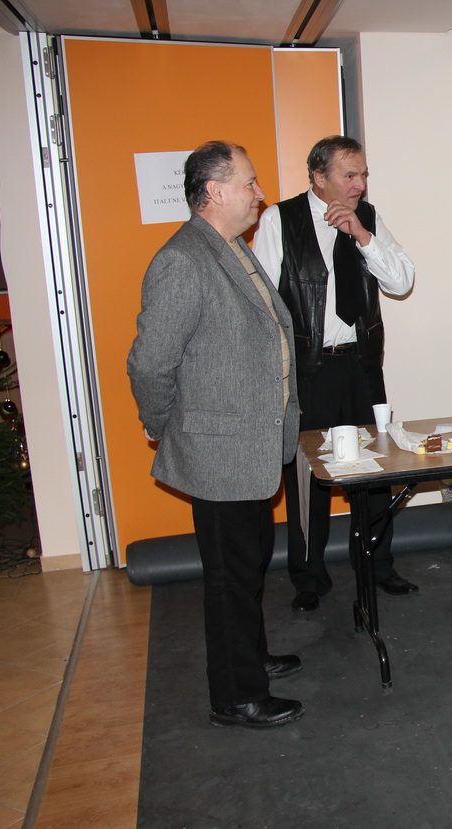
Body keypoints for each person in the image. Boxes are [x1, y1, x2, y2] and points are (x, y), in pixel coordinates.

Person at [127, 141, 303, 728]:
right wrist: (164, 424)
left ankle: (250, 657)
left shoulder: (230, 247)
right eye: (250, 183)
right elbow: (150, 363)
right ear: (215, 191)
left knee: (248, 565)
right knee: (229, 577)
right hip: (219, 451)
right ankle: (235, 694)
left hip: (251, 446)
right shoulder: (183, 260)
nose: (260, 194)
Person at [253, 135, 418, 613]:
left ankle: (377, 565)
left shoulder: (369, 218)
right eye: (349, 175)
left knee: (376, 469)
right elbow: (262, 303)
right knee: (308, 477)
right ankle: (309, 577)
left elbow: (402, 281)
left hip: (362, 365)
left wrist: (363, 237)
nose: (359, 184)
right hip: (309, 369)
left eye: (363, 174)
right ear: (318, 177)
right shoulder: (279, 220)